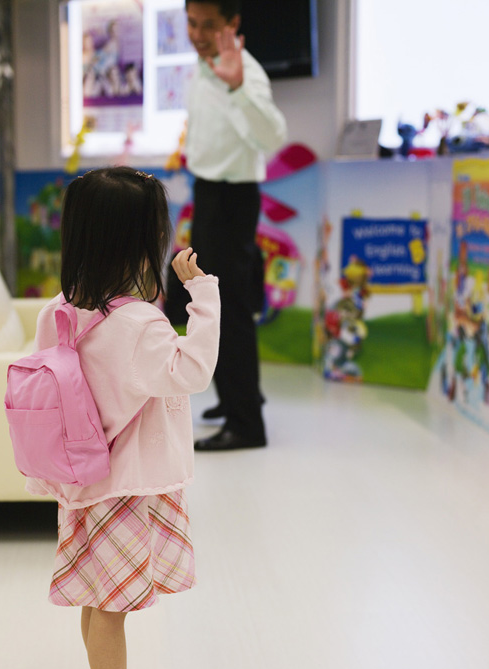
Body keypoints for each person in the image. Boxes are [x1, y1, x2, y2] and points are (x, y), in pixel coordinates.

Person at [27, 167, 220, 669]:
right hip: (127, 488)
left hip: (83, 482)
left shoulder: (60, 310)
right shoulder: (137, 323)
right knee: (112, 608)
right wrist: (203, 296)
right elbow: (193, 372)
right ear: (140, 241)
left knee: (97, 598)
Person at [184, 0, 287, 451]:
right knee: (213, 300)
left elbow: (273, 137)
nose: (199, 34)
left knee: (230, 309)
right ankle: (232, 400)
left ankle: (247, 425)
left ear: (233, 24)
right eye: (192, 23)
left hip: (232, 198)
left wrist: (240, 87)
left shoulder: (245, 71)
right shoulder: (202, 67)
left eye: (210, 25)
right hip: (209, 192)